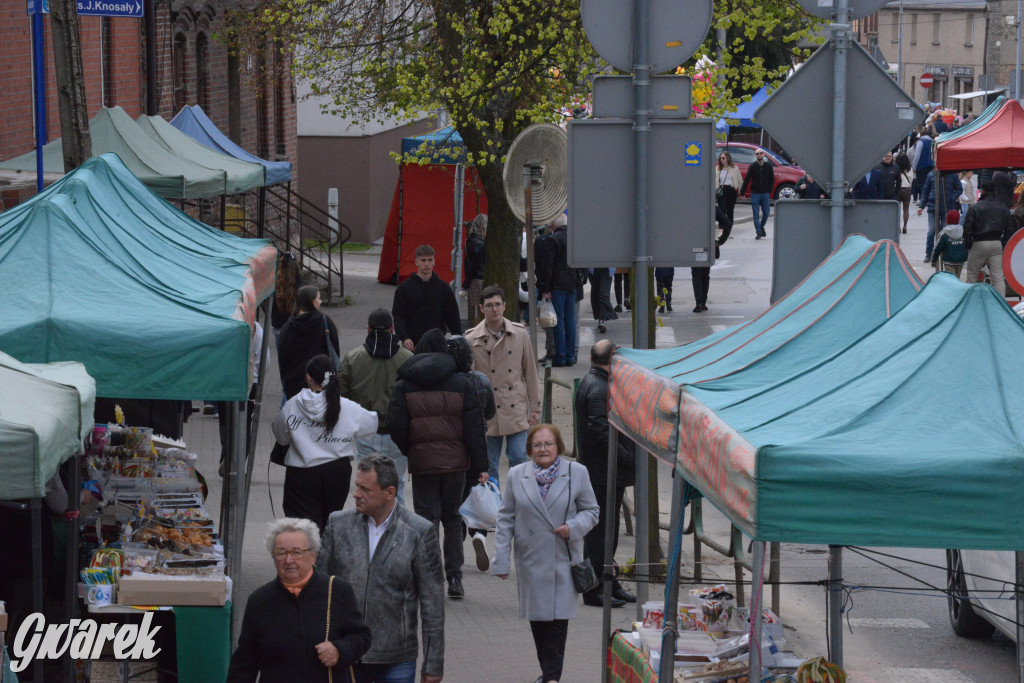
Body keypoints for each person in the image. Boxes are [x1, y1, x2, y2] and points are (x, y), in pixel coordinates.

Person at [317, 455, 445, 683]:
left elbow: (432, 604)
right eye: (357, 486)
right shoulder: (338, 525)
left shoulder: (419, 532)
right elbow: (318, 591)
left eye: (365, 489)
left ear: (389, 493)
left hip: (396, 659)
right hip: (345, 653)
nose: (356, 494)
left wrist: (433, 665)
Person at [493, 424, 600, 683]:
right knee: (539, 622)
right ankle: (548, 674)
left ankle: (551, 677)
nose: (543, 449)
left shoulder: (576, 472)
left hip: (563, 558)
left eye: (548, 444)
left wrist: (572, 527)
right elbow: (505, 519)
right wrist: (501, 560)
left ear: (558, 446)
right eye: (537, 445)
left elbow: (592, 511)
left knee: (558, 622)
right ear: (529, 449)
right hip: (530, 559)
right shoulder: (517, 474)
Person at [387, 329, 489, 598]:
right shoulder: (463, 382)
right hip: (456, 464)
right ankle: (454, 577)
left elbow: (395, 424)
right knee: (452, 518)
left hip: (423, 464)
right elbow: (474, 428)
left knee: (426, 520)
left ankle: (429, 576)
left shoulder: (405, 383)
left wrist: (411, 449)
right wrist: (481, 465)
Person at [227, 518, 372, 683]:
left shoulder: (338, 591)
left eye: (297, 552)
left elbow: (362, 636)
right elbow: (244, 664)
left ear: (313, 555)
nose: (289, 560)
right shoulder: (259, 601)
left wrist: (339, 650)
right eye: (281, 553)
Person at [465, 285, 541, 567]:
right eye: (489, 305)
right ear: (481, 309)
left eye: (498, 304)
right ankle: (492, 523)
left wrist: (535, 408)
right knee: (489, 470)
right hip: (488, 415)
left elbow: (530, 372)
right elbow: (469, 380)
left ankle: (521, 513)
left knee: (521, 460)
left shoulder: (520, 334)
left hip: (517, 409)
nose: (494, 309)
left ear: (505, 306)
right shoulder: (471, 339)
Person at [273, 354, 378, 531]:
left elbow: (281, 436)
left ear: (308, 377)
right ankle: (325, 548)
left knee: (302, 528)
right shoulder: (346, 406)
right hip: (336, 472)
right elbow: (370, 426)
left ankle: (308, 549)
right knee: (330, 524)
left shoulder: (293, 404)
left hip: (301, 474)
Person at [575, 340, 636, 609]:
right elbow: (600, 430)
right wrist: (626, 458)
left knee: (606, 532)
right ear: (614, 360)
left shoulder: (596, 382)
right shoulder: (599, 388)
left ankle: (609, 581)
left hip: (603, 472)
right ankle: (594, 589)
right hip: (602, 474)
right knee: (599, 534)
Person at [338, 308, 414, 506]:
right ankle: (395, 523)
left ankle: (369, 522)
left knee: (368, 487)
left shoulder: (352, 358)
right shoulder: (407, 359)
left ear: (368, 329)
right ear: (392, 329)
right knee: (396, 486)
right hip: (398, 434)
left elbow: (342, 396)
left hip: (365, 433)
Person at [392, 244, 462, 351]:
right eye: (423, 260)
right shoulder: (404, 288)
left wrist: (459, 340)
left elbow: (453, 317)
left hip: (437, 344)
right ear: (416, 262)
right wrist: (404, 337)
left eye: (430, 260)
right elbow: (398, 316)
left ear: (434, 261)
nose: (427, 264)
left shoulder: (443, 288)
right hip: (412, 344)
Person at [278, 285, 340, 399]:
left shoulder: (287, 328)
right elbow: (334, 351)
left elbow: (283, 359)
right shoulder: (324, 322)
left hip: (294, 387)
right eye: (319, 298)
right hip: (321, 384)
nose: (321, 301)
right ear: (311, 301)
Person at [535, 213, 579, 366]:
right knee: (571, 320)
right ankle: (570, 356)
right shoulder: (574, 239)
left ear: (555, 225)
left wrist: (545, 287)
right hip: (572, 284)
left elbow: (548, 266)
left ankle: (560, 356)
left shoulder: (554, 239)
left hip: (557, 285)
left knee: (558, 321)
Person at [961, 178, 1013, 295]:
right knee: (998, 277)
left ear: (982, 191)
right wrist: (1003, 244)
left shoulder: (975, 207)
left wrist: (968, 245)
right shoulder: (1003, 208)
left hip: (979, 243)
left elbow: (967, 229)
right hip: (996, 243)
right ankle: (1000, 301)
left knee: (972, 275)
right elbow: (1009, 229)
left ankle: (970, 300)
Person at [691, 206, 733, 313]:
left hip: (694, 243)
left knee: (696, 274)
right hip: (708, 244)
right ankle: (703, 302)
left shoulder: (690, 207)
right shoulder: (710, 206)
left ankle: (699, 303)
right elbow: (728, 224)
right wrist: (720, 241)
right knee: (705, 274)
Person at [739, 148, 774, 239]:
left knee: (766, 213)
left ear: (763, 154)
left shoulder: (769, 166)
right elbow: (747, 179)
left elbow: (772, 179)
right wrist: (742, 192)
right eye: (757, 153)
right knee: (756, 214)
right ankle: (758, 232)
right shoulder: (752, 166)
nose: (759, 155)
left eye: (760, 153)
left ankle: (761, 226)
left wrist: (769, 190)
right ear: (755, 155)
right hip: (755, 193)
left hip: (765, 193)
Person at [271, 251, 301, 345]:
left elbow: (267, 307)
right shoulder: (300, 287)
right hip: (298, 329)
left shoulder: (273, 287)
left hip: (279, 329)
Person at [463, 214, 487, 328]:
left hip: (474, 279)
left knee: (480, 310)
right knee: (482, 311)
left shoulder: (470, 240)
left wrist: (466, 282)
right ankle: (478, 333)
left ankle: (476, 332)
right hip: (479, 279)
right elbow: (475, 264)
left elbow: (468, 263)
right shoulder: (480, 243)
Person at [931, 209, 967, 277]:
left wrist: (933, 260)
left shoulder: (944, 233)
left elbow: (937, 248)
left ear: (947, 220)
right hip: (960, 261)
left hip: (948, 261)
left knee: (950, 278)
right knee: (957, 277)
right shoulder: (963, 232)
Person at [714, 151, 742, 224]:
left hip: (731, 190)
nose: (721, 160)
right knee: (722, 211)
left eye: (723, 158)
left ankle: (729, 228)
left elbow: (740, 180)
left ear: (728, 158)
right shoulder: (717, 168)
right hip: (721, 190)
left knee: (730, 211)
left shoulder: (734, 168)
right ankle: (722, 228)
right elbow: (715, 180)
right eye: (720, 158)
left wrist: (740, 192)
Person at [588, 268, 617, 332]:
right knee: (596, 294)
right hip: (594, 269)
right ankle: (600, 317)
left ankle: (603, 319)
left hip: (607, 268)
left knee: (604, 294)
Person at [895, 152, 913, 234]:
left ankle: (898, 226)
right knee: (906, 209)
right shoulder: (909, 168)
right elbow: (911, 179)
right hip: (906, 190)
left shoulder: (895, 168)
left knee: (897, 209)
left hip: (897, 189)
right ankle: (905, 226)